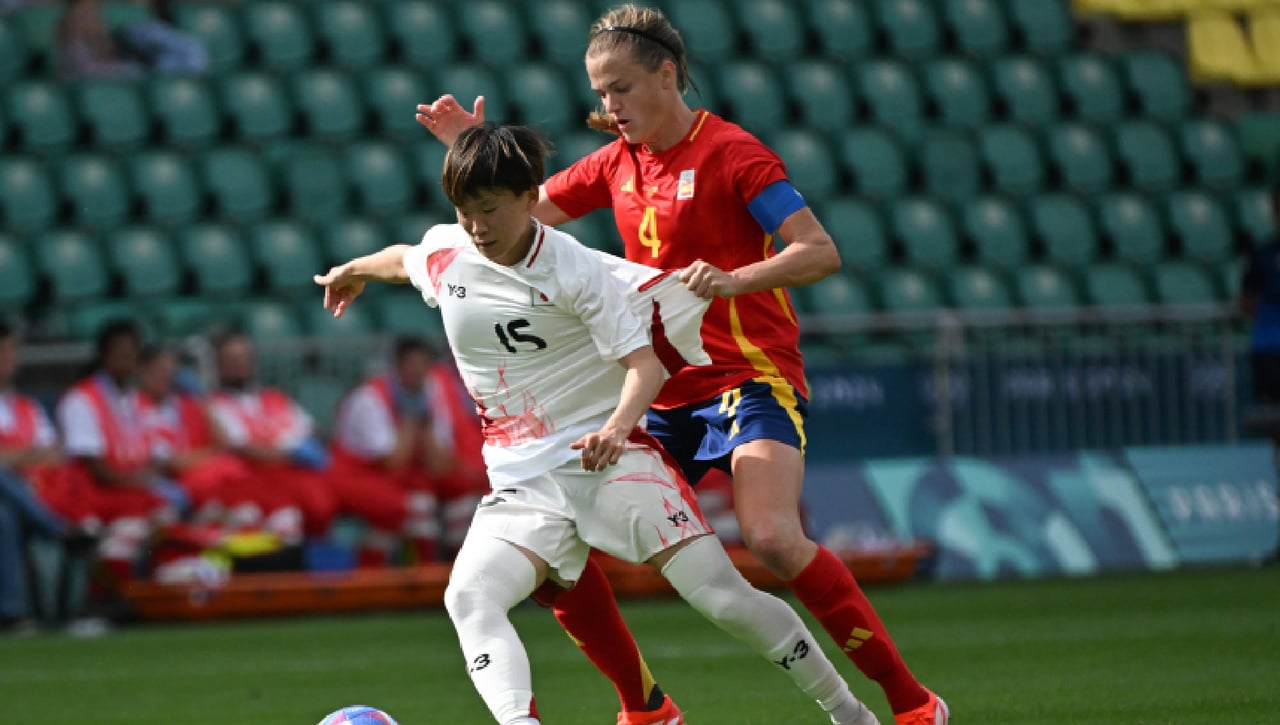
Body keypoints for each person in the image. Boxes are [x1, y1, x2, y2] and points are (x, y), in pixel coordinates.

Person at [416, 6, 948, 724]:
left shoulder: (734, 154)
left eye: (622, 89)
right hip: (660, 389)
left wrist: (734, 279)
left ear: (668, 75)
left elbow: (819, 251)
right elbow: (514, 216)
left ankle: (911, 703)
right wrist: (470, 149)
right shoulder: (616, 161)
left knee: (771, 537)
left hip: (747, 376)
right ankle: (645, 707)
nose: (609, 106)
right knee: (555, 541)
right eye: (601, 93)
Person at [314, 123, 879, 725]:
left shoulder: (577, 271)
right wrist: (356, 267)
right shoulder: (449, 252)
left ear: (530, 199)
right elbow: (404, 259)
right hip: (523, 485)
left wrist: (616, 428)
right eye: (464, 211)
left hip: (610, 464)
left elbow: (644, 364)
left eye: (489, 210)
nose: (476, 226)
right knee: (469, 597)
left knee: (724, 598)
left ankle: (847, 711)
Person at [43, 320, 178, 594]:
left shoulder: (134, 400)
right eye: (121, 352)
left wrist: (150, 477)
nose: (128, 360)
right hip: (91, 494)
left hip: (130, 490)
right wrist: (139, 482)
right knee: (133, 527)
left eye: (132, 353)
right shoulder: (81, 399)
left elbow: (156, 454)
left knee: (172, 511)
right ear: (104, 356)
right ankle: (106, 600)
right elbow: (94, 468)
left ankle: (156, 594)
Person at [136, 344, 302, 544]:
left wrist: (201, 402)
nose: (167, 378)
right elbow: (171, 463)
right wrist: (213, 454)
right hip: (189, 485)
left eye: (170, 372)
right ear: (143, 372)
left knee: (283, 510)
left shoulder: (185, 403)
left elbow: (222, 440)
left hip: (224, 477)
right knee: (244, 514)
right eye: (160, 371)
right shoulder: (135, 409)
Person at [0, 322, 90, 632]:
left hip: (31, 494)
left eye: (10, 351)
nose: (7, 359)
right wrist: (26, 456)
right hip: (24, 495)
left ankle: (19, 612)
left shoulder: (27, 407)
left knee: (5, 513)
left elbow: (55, 453)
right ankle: (57, 531)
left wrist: (15, 460)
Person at [330, 336, 445, 564]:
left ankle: (430, 580)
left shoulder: (430, 395)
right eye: (411, 364)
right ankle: (373, 582)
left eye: (423, 364)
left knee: (440, 499)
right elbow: (394, 461)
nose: (417, 371)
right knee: (403, 507)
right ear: (397, 367)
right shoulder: (370, 398)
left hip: (388, 477)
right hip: (351, 476)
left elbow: (440, 463)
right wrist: (412, 419)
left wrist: (425, 422)